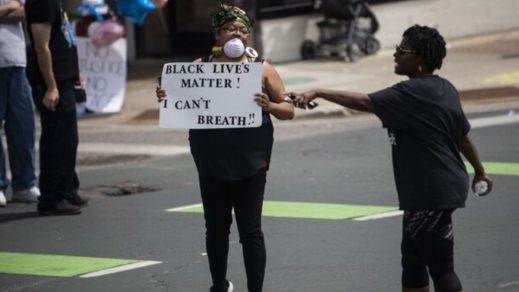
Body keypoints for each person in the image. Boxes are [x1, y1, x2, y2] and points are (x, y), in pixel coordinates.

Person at [290, 25, 493, 292]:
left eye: (402, 50)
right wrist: (479, 171)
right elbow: (462, 137)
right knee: (412, 262)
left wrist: (318, 92)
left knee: (442, 269)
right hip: (430, 189)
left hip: (431, 190)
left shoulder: (409, 93)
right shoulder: (445, 88)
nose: (395, 54)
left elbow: (364, 102)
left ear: (420, 58)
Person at [156, 5, 294, 291]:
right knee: (216, 228)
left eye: (244, 30)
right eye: (231, 29)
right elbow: (176, 98)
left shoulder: (261, 68)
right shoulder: (200, 66)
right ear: (218, 34)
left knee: (250, 230)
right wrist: (165, 93)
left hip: (251, 159)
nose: (238, 35)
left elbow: (289, 110)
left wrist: (269, 105)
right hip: (211, 159)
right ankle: (219, 285)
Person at [25, 0, 88, 215]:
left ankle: (68, 189)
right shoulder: (44, 3)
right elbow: (42, 47)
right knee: (58, 139)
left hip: (64, 79)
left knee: (68, 139)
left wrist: (75, 73)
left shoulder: (55, 3)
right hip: (54, 84)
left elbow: (64, 40)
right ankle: (54, 196)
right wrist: (51, 87)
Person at [0, 0, 40, 207]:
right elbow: (18, 10)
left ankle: (24, 184)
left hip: (16, 61)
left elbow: (29, 13)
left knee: (23, 126)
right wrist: (11, 7)